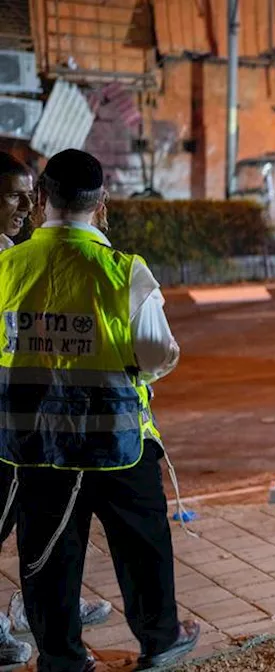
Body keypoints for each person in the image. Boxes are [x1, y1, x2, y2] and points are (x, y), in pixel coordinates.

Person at [0, 149, 199, 672]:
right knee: (142, 544)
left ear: (41, 199)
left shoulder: (6, 267)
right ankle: (160, 640)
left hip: (34, 446)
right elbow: (159, 354)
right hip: (117, 445)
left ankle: (61, 659)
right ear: (102, 205)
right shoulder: (124, 272)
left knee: (46, 556)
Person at [0, 152, 118, 667]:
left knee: (32, 521)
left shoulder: (11, 251)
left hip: (18, 422)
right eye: (13, 194)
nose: (27, 205)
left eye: (31, 194)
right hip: (8, 422)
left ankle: (39, 608)